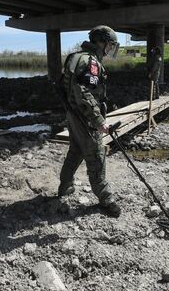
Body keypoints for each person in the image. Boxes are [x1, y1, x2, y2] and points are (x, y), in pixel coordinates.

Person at [57, 25, 121, 217]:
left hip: (73, 114)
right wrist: (99, 121)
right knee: (96, 154)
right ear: (101, 43)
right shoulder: (90, 62)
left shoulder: (76, 57)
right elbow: (83, 92)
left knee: (76, 151)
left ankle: (65, 186)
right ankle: (105, 198)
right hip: (85, 118)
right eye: (109, 45)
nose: (110, 49)